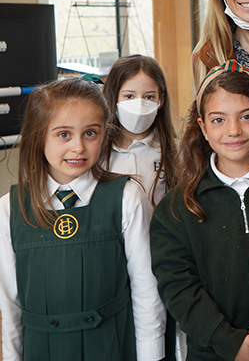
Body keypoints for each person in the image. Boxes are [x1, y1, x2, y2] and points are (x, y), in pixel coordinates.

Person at [0, 78, 165, 361]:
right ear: (40, 136)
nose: (78, 147)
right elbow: (9, 304)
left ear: (104, 134)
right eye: (63, 134)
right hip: (42, 349)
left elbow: (147, 293)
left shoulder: (126, 198)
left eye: (90, 133)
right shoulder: (9, 209)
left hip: (111, 345)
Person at [150, 60, 249, 361]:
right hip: (213, 354)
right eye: (218, 120)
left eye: (247, 117)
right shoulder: (177, 210)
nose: (233, 130)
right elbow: (179, 288)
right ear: (202, 127)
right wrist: (230, 342)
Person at [103, 54, 177, 207]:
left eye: (149, 97)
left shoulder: (176, 150)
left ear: (160, 101)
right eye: (129, 96)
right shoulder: (97, 151)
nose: (139, 104)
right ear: (114, 96)